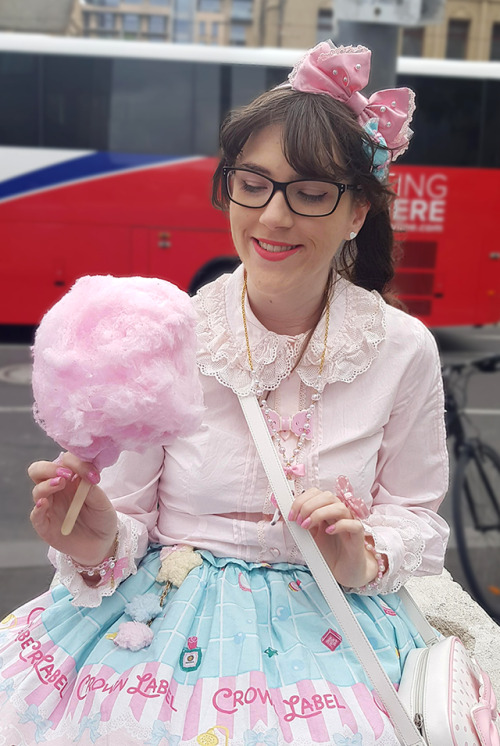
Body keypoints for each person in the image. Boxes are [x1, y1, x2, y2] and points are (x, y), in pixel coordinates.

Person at [0, 42, 449, 745]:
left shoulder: (402, 349)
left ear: (358, 210)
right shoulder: (171, 334)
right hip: (164, 613)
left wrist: (359, 554)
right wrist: (94, 539)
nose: (272, 217)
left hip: (334, 619)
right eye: (254, 183)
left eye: (310, 191)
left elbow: (417, 513)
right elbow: (124, 516)